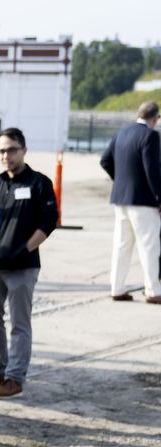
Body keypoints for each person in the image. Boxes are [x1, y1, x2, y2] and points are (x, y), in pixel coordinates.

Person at [0, 128, 58, 398]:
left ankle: (15, 378)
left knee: (20, 324)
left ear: (24, 150)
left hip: (22, 267)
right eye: (2, 150)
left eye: (12, 149)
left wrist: (25, 248)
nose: (6, 155)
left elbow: (49, 220)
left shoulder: (39, 183)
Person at [101, 101, 161, 303]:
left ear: (137, 114)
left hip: (121, 199)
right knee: (149, 246)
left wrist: (120, 181)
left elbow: (105, 161)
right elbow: (152, 171)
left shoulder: (120, 133)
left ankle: (117, 288)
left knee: (121, 245)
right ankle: (153, 291)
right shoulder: (150, 136)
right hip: (144, 201)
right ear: (155, 118)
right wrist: (159, 198)